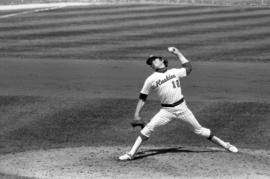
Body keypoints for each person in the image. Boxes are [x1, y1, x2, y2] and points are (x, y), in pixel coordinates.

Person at [119, 47, 238, 161]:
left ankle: (226, 145)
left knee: (200, 130)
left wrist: (177, 53)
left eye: (154, 59)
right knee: (148, 129)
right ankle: (131, 154)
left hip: (182, 108)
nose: (152, 62)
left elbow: (188, 67)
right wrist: (136, 114)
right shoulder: (151, 79)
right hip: (166, 111)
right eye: (150, 62)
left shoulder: (175, 72)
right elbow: (142, 97)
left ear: (162, 60)